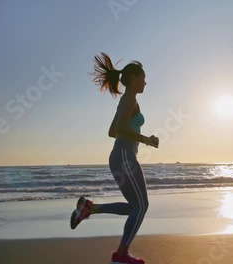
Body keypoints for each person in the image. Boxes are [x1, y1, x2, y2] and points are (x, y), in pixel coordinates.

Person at [70, 52, 159, 264]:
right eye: (143, 77)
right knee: (142, 206)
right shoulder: (129, 99)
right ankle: (121, 255)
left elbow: (112, 131)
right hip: (125, 157)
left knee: (134, 207)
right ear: (133, 78)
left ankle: (90, 208)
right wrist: (146, 139)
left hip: (119, 157)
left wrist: (133, 134)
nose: (145, 82)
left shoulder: (127, 101)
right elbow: (118, 129)